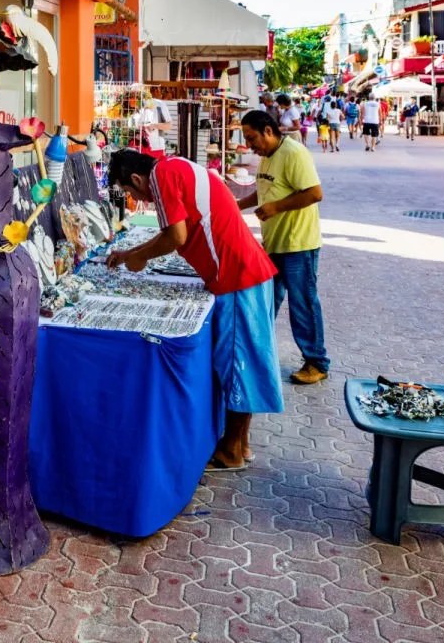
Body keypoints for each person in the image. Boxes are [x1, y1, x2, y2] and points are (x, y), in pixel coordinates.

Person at [106, 150, 283, 470]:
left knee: (238, 364)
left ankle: (231, 449)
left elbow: (176, 236)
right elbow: (174, 230)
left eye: (131, 193)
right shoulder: (174, 165)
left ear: (135, 179)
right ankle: (239, 445)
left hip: (237, 276)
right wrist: (131, 252)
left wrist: (142, 257)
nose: (136, 199)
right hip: (243, 271)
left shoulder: (161, 177)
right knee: (241, 361)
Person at [238, 111, 330, 385]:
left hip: (298, 244)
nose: (249, 144)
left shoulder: (293, 153)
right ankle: (257, 356)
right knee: (267, 300)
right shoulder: (267, 157)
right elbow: (264, 191)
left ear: (268, 131)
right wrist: (235, 205)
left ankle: (317, 362)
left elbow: (315, 193)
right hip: (274, 243)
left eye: (252, 137)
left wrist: (276, 207)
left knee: (302, 303)